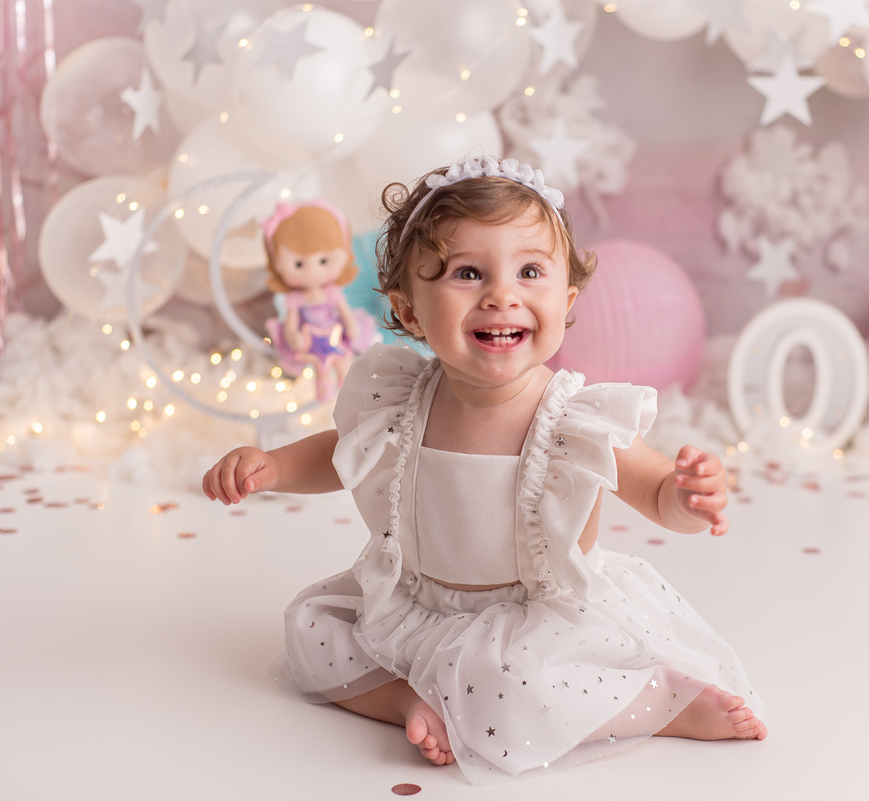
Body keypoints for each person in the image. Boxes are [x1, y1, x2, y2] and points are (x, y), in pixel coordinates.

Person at [202, 156, 766, 784]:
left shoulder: (571, 416)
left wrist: (688, 497)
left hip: (534, 624)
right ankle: (406, 701)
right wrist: (272, 466)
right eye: (468, 273)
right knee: (311, 627)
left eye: (530, 272)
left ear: (566, 300)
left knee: (511, 687)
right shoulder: (402, 399)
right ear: (409, 312)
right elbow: (340, 452)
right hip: (416, 603)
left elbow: (655, 491)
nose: (502, 295)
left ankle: (658, 705)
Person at [262, 199, 380, 402]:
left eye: (323, 261)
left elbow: (345, 312)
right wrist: (293, 336)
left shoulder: (332, 293)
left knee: (345, 363)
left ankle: (350, 396)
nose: (313, 270)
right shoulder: (295, 299)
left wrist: (351, 326)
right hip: (311, 344)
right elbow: (291, 323)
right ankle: (324, 391)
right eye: (299, 264)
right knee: (321, 370)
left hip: (337, 337)